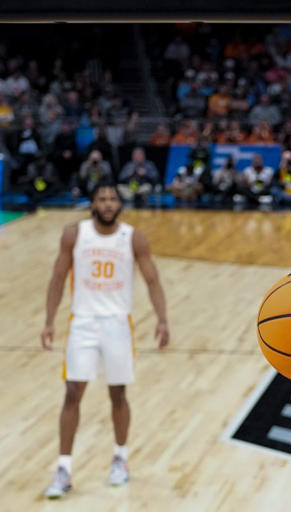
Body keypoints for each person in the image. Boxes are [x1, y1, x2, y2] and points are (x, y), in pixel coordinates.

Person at [41, 182, 169, 499]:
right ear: (93, 204)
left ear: (119, 205)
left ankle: (120, 459)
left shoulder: (133, 237)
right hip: (82, 323)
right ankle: (64, 469)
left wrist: (162, 319)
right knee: (72, 394)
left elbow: (152, 279)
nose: (108, 204)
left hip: (117, 325)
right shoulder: (75, 234)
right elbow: (57, 278)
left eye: (113, 199)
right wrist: (48, 321)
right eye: (102, 199)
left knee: (118, 395)